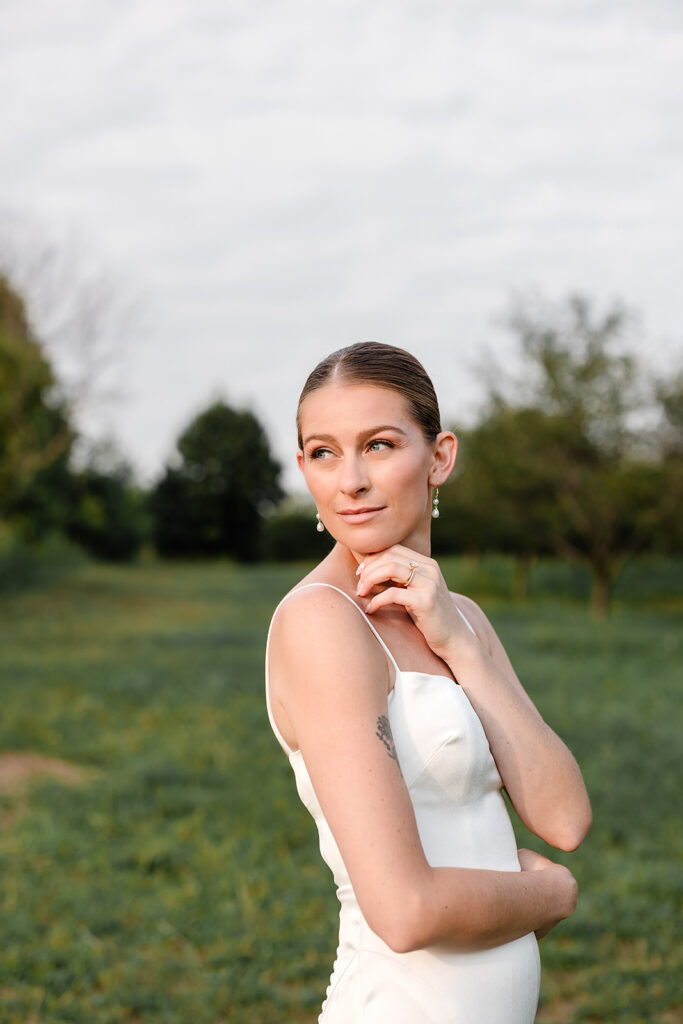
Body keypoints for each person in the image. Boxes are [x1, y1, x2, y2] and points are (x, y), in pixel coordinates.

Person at [265, 341, 591, 1023]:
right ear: (303, 470)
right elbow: (404, 910)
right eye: (324, 453)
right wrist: (549, 895)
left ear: (439, 457)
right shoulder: (322, 622)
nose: (350, 480)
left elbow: (564, 818)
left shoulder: (461, 617)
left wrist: (458, 644)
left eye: (378, 445)